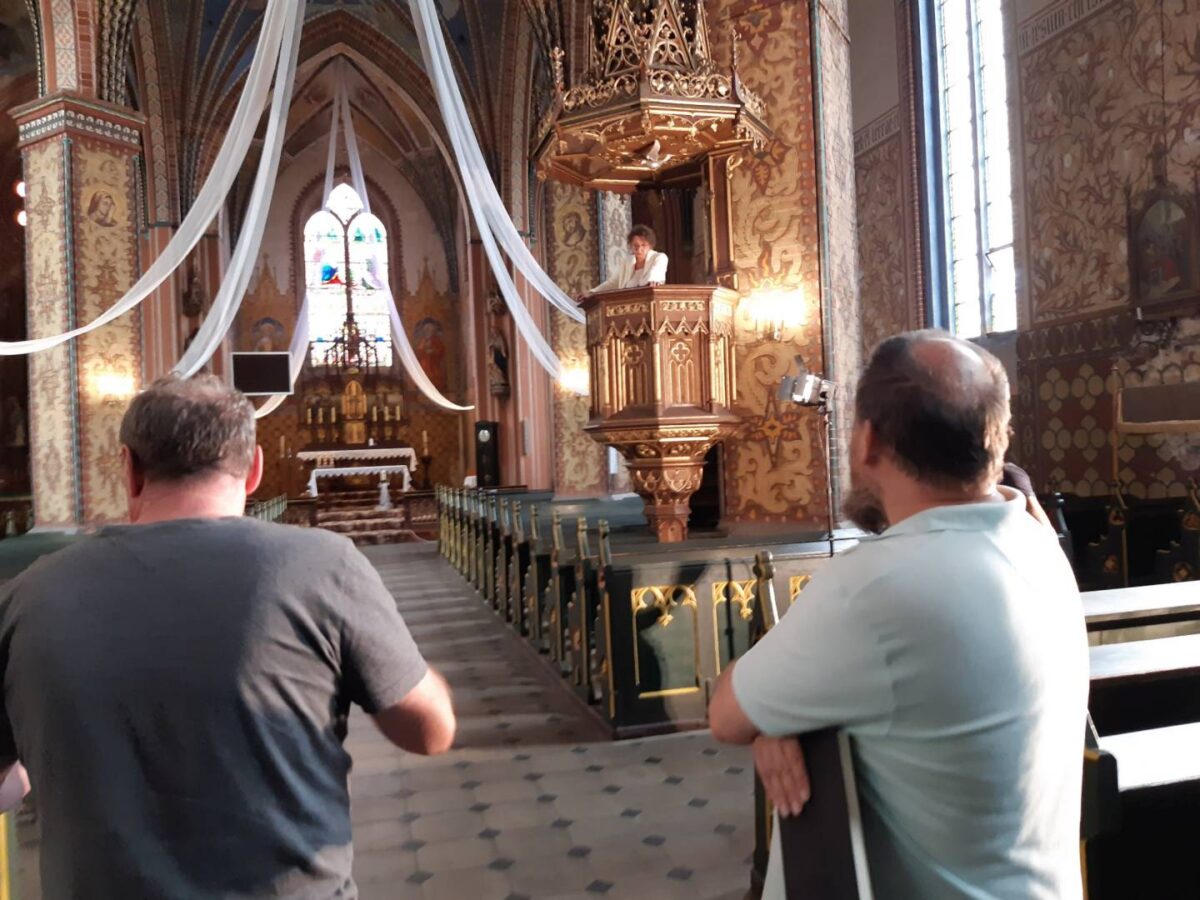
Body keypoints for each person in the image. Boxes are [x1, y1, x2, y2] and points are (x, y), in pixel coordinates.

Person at [0, 375, 456, 898]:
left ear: (128, 468)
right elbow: (431, 732)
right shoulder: (323, 567)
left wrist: (42, 758)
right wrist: (417, 674)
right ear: (255, 467)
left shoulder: (26, 597)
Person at [709, 330, 1088, 899]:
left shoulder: (876, 589)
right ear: (995, 440)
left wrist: (772, 718)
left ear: (867, 441)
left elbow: (726, 714)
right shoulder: (1039, 544)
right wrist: (778, 716)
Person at [579, 224, 669, 299]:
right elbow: (612, 283)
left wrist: (654, 280)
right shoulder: (627, 262)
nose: (639, 249)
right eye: (635, 245)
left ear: (650, 246)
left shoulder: (658, 257)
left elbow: (656, 271)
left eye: (643, 245)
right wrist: (592, 293)